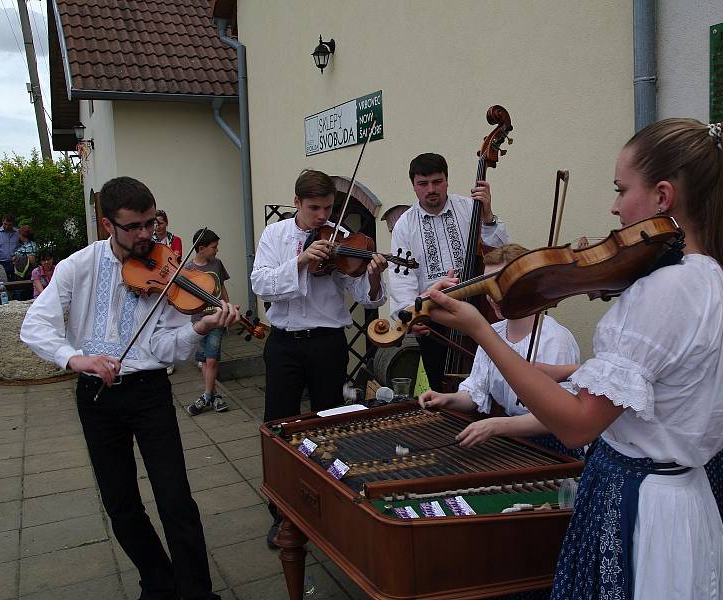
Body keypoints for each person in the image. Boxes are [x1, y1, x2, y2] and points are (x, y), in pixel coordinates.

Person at [423, 119, 723, 600]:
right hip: (679, 503)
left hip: (642, 510)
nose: (614, 207)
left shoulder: (666, 288)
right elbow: (656, 384)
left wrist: (480, 330)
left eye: (622, 190)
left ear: (663, 197)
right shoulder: (709, 275)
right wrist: (551, 369)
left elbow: (577, 426)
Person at [20, 176, 238, 600]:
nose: (146, 236)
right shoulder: (76, 267)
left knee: (175, 499)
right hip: (96, 395)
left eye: (150, 224)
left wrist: (198, 326)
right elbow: (35, 326)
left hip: (149, 392)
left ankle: (197, 593)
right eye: (134, 227)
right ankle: (157, 583)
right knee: (120, 503)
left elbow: (164, 348)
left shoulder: (168, 271)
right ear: (108, 226)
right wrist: (75, 357)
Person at [251, 168, 388, 547]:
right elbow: (260, 284)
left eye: (328, 208)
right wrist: (299, 262)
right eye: (314, 209)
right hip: (283, 343)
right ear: (296, 203)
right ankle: (281, 513)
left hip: (328, 341)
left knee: (329, 422)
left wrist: (374, 277)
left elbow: (364, 295)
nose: (322, 217)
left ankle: (331, 504)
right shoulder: (275, 236)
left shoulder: (342, 238)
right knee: (279, 425)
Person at [418, 244, 582, 459]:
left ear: (527, 284)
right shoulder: (492, 331)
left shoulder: (555, 339)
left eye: (502, 283)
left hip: (552, 447)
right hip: (513, 440)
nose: (492, 294)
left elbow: (560, 417)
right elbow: (476, 391)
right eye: (487, 285)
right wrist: (446, 399)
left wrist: (496, 426)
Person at [389, 152, 510, 391]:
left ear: (447, 180)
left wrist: (487, 215)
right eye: (423, 184)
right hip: (435, 318)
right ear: (414, 186)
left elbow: (501, 253)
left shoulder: (469, 207)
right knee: (441, 386)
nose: (431, 189)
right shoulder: (405, 224)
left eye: (437, 181)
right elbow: (401, 278)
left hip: (479, 310)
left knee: (491, 383)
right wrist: (412, 316)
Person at [184, 228, 231, 416]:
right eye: (214, 247)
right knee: (205, 360)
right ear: (201, 248)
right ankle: (214, 396)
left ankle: (205, 396)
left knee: (211, 360)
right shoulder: (188, 269)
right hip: (199, 320)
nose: (217, 250)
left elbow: (222, 287)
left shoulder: (217, 264)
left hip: (217, 318)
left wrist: (227, 308)